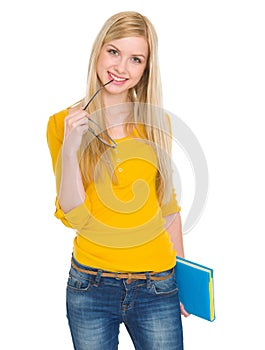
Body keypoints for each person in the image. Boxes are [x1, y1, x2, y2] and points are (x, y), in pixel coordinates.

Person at [47, 11, 189, 350]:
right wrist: (71, 149)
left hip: (157, 285)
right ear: (98, 52)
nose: (121, 68)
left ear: (144, 70)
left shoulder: (156, 125)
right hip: (90, 287)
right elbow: (74, 215)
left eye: (135, 59)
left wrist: (184, 280)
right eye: (113, 52)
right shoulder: (60, 124)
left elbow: (167, 210)